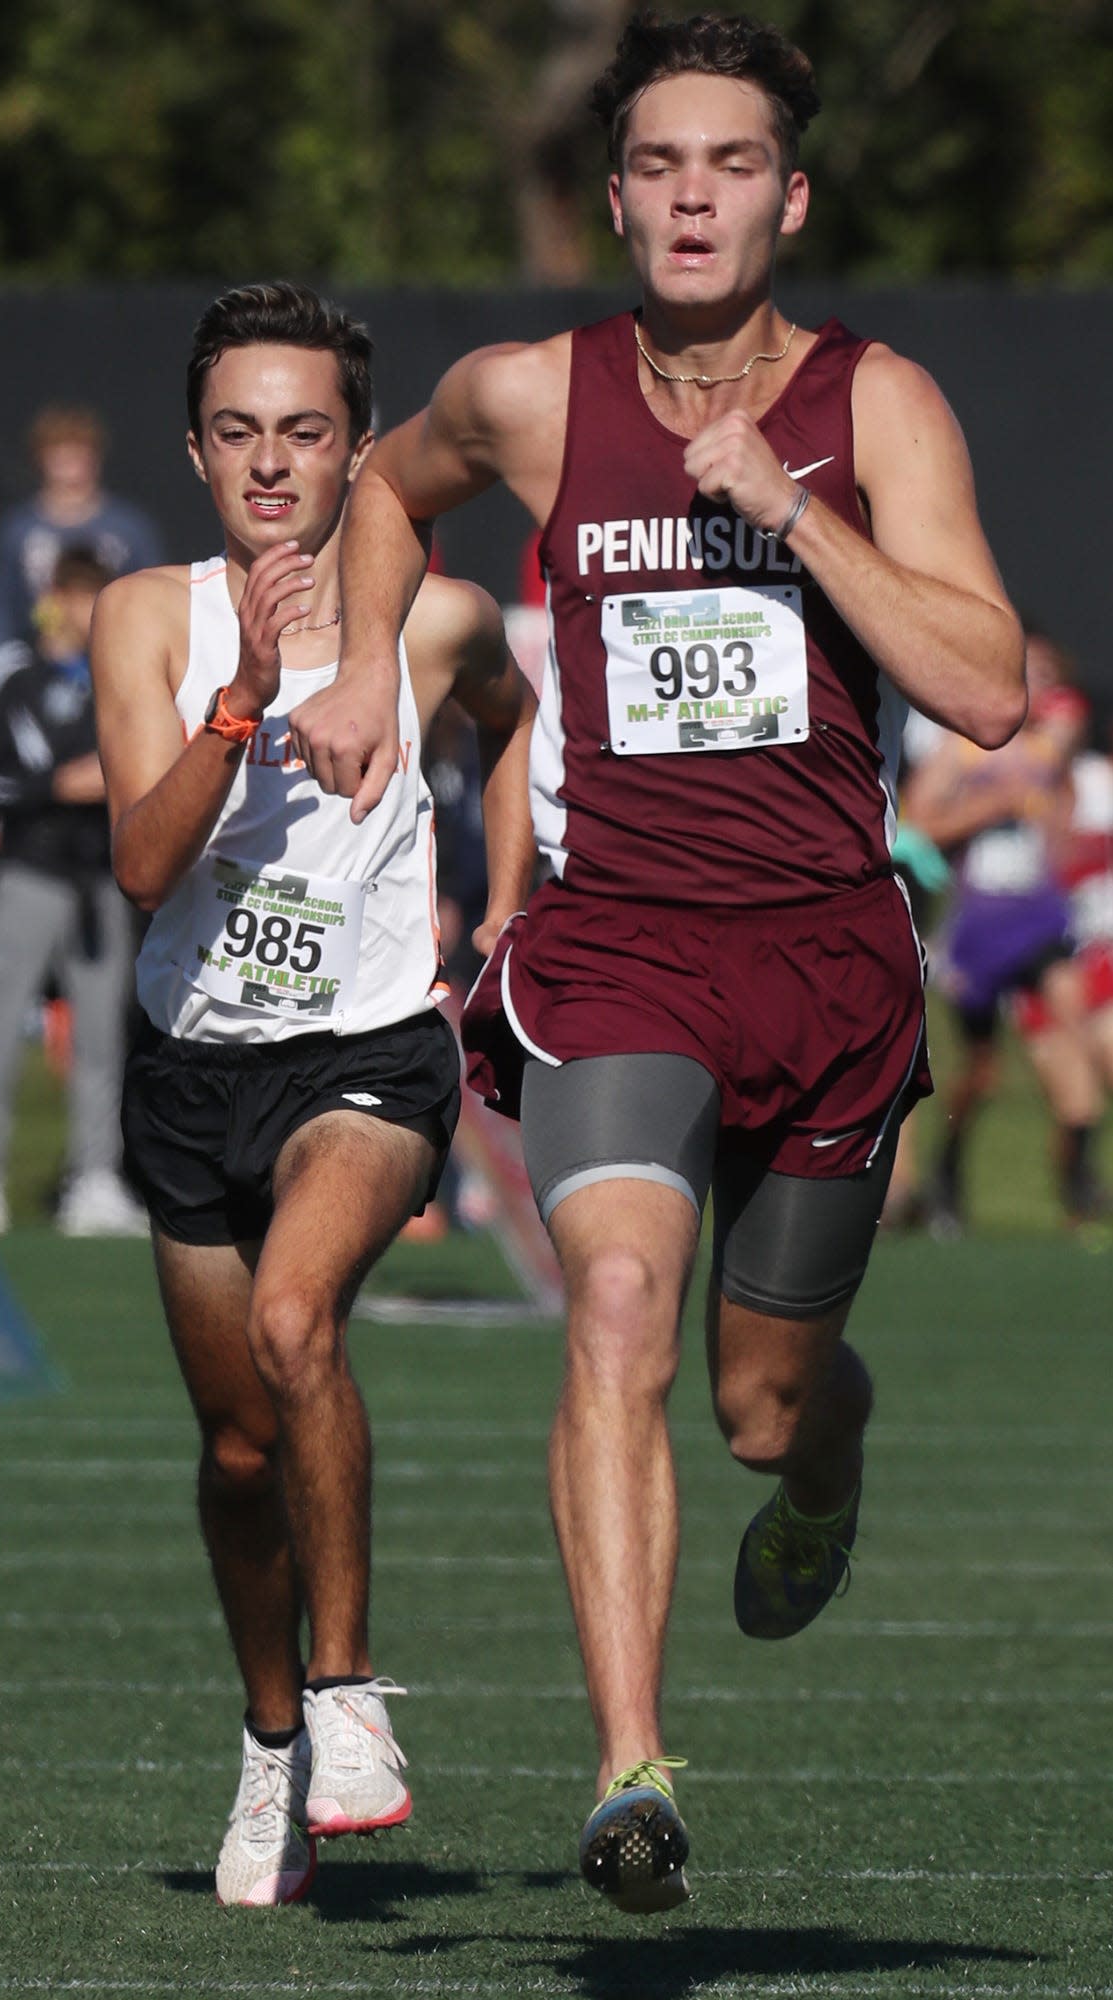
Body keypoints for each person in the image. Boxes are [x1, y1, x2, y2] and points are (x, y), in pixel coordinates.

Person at [287, 14, 1026, 1915]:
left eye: (729, 165)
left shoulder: (878, 406)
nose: (691, 196)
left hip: (826, 969)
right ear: (611, 197)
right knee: (613, 1304)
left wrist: (789, 515)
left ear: (788, 194)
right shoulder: (532, 396)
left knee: (760, 1403)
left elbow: (983, 688)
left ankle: (825, 1465)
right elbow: (380, 487)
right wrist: (372, 657)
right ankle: (631, 1771)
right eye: (657, 165)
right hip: (617, 950)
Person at [90, 282, 535, 1907]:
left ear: (358, 446)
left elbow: (509, 719)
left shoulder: (431, 616)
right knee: (230, 1454)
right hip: (193, 1066)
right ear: (194, 450)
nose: (270, 463)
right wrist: (241, 699)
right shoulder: (145, 615)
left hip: (364, 1055)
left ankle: (349, 1699)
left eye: (304, 431)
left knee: (298, 1325)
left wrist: (503, 908)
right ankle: (269, 1742)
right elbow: (144, 863)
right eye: (236, 432)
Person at [901, 626, 1102, 1232]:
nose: (1039, 686)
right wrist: (993, 806)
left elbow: (1062, 809)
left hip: (1039, 918)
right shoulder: (962, 750)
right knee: (979, 1074)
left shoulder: (1050, 752)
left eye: (1048, 674)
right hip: (980, 929)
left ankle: (1080, 1184)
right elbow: (917, 825)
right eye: (1028, 672)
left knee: (1073, 1013)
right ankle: (944, 1178)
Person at [0, 548, 148, 1238]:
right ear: (53, 598)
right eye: (76, 597)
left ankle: (94, 1178)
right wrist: (58, 783)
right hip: (30, 871)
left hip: (101, 877)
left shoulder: (121, 677)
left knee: (102, 1034)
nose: (86, 613)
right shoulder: (15, 674)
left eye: (96, 598)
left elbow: (137, 764)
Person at [0, 405, 164, 655]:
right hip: (38, 659)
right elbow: (2, 609)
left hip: (113, 653)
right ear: (41, 459)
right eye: (60, 456)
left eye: (78, 455)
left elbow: (152, 600)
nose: (70, 467)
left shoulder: (128, 528)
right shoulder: (19, 529)